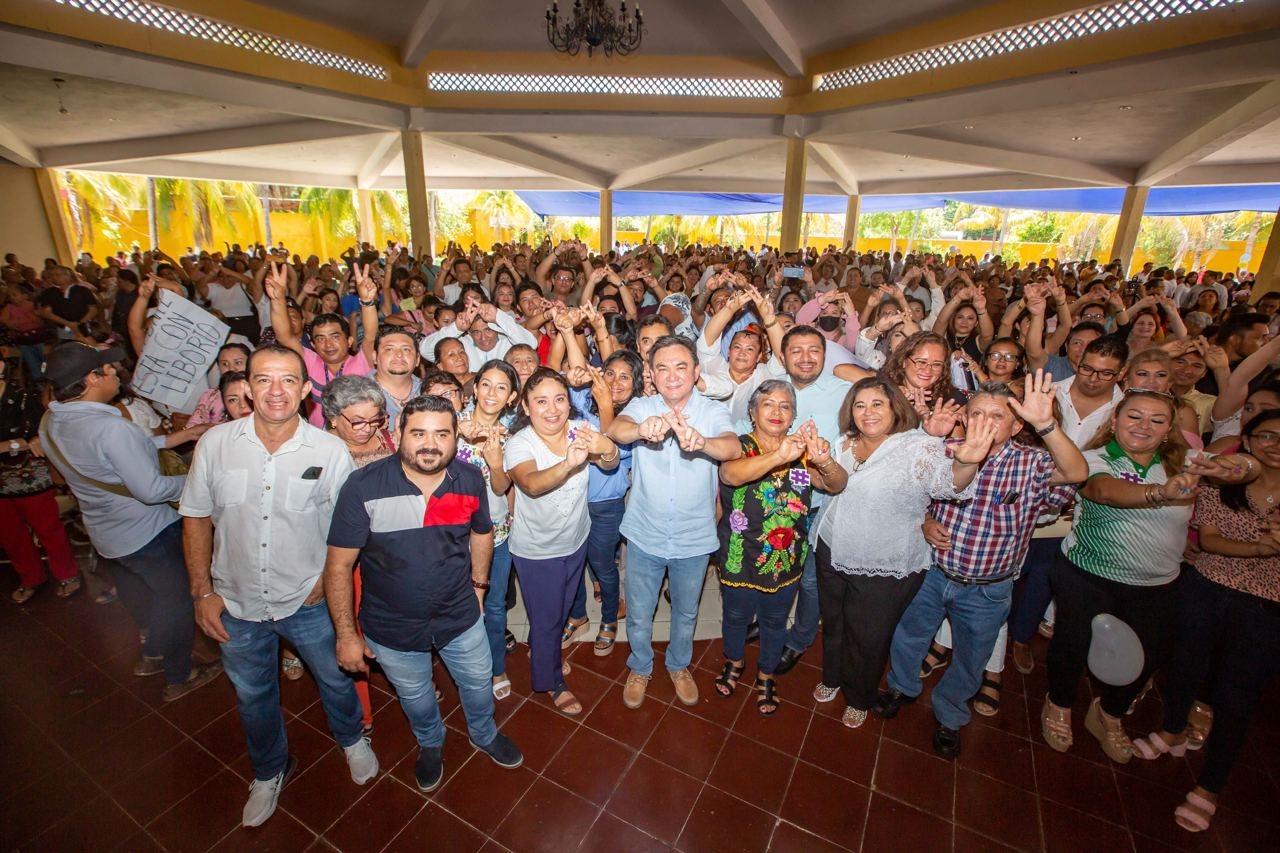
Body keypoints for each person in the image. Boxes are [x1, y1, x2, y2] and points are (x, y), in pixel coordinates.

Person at [181, 345, 377, 828]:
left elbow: (345, 528)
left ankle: (351, 739)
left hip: (306, 596)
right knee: (253, 695)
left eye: (288, 380)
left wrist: (322, 583)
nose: (276, 391)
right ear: (245, 386)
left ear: (306, 389)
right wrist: (201, 592)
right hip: (236, 600)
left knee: (334, 678)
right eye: (264, 379)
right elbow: (197, 519)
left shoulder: (328, 450)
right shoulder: (215, 445)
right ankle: (268, 770)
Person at [875, 376, 1087, 758]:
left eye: (997, 416)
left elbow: (1076, 474)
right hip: (935, 572)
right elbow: (913, 495)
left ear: (1017, 424)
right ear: (965, 418)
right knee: (908, 635)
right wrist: (925, 521)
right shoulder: (946, 450)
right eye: (977, 414)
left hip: (988, 587)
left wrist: (1047, 426)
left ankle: (950, 713)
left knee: (972, 658)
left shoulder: (1032, 463)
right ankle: (901, 687)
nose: (986, 422)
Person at [324, 394, 523, 794]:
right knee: (414, 696)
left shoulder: (467, 479)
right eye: (418, 433)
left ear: (455, 438)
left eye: (441, 434)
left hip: (459, 616)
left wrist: (479, 588)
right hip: (391, 625)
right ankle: (431, 742)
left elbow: (482, 533)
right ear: (397, 433)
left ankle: (483, 734)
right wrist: (346, 635)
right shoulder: (363, 487)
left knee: (478, 684)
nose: (429, 444)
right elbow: (339, 566)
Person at [40, 342, 219, 701]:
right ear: (91, 379)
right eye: (107, 371)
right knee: (176, 599)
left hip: (106, 532)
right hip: (147, 532)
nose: (115, 374)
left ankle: (152, 654)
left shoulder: (51, 420)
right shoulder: (111, 429)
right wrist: (203, 479)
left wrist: (178, 437)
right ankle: (179, 675)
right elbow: (150, 489)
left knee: (153, 597)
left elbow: (111, 458)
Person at [1128, 409, 1280, 834]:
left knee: (1236, 696)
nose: (1275, 445)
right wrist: (1261, 551)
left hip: (1268, 605)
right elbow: (1209, 540)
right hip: (1209, 585)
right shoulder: (1221, 483)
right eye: (1265, 436)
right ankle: (1173, 729)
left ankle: (1211, 786)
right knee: (1185, 666)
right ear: (1247, 442)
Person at [1040, 389, 1199, 764]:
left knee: (1145, 658)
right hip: (1088, 573)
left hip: (1157, 583)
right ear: (1114, 421)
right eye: (1134, 416)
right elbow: (1103, 492)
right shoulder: (1093, 460)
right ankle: (1059, 704)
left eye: (1156, 420)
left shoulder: (1188, 464)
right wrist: (1161, 492)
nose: (1144, 426)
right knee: (1071, 644)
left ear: (1169, 428)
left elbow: (1247, 467)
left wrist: (1238, 467)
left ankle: (1109, 715)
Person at [606, 335, 741, 708]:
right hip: (645, 532)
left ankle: (679, 665)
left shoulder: (711, 410)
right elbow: (616, 430)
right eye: (662, 367)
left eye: (681, 366)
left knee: (686, 610)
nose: (672, 375)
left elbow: (733, 446)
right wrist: (639, 429)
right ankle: (641, 665)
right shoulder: (642, 404)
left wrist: (702, 443)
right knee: (639, 609)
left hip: (694, 537)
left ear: (696, 371)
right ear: (651, 373)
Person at [715, 380, 847, 715]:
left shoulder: (802, 452)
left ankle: (766, 673)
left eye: (785, 406)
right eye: (768, 404)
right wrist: (777, 455)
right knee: (735, 616)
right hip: (739, 557)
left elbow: (835, 483)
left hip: (785, 561)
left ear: (793, 416)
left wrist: (825, 461)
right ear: (753, 412)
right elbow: (731, 476)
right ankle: (734, 661)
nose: (777, 411)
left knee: (775, 621)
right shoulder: (739, 446)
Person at [505, 368, 619, 715]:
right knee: (547, 619)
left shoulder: (577, 430)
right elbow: (531, 484)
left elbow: (610, 463)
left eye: (559, 399)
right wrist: (568, 464)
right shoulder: (519, 443)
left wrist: (607, 447)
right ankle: (550, 680)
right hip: (538, 551)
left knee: (561, 608)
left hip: (576, 538)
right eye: (541, 401)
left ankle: (544, 650)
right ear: (525, 405)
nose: (552, 409)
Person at [454, 360, 519, 698]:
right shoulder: (451, 427)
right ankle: (463, 667)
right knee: (455, 604)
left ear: (511, 397)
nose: (492, 393)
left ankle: (495, 669)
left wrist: (496, 462)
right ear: (475, 388)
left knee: (494, 607)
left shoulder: (512, 437)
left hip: (497, 533)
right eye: (487, 384)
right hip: (451, 535)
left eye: (502, 387)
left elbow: (500, 488)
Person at [1, 356, 80, 602]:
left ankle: (67, 574)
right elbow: (26, 441)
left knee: (48, 529)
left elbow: (41, 438)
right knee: (9, 534)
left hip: (30, 477)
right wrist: (17, 443)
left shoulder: (24, 398)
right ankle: (30, 577)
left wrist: (17, 444)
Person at [267, 262, 378, 428]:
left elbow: (370, 336)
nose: (328, 344)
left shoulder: (363, 361)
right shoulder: (309, 362)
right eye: (320, 339)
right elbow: (284, 337)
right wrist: (277, 300)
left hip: (361, 440)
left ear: (349, 341)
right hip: (320, 444)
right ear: (312, 344)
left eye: (334, 336)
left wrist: (367, 301)